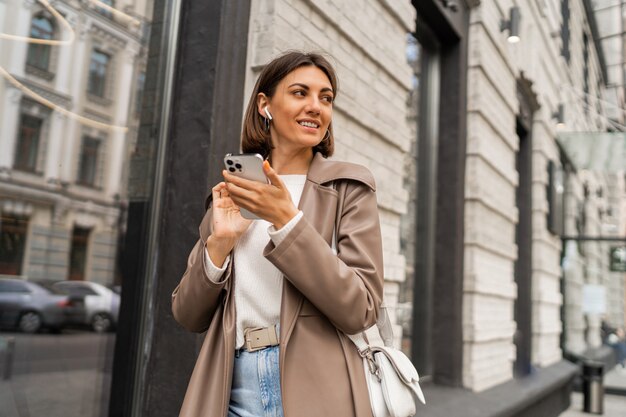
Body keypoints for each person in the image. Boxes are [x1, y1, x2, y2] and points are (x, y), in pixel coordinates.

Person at [172, 51, 384, 417]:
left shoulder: (348, 187)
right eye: (300, 93)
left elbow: (362, 309)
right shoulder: (233, 193)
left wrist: (288, 222)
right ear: (264, 104)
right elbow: (188, 315)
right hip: (232, 388)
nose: (316, 106)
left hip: (321, 387)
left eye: (326, 97)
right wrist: (219, 245)